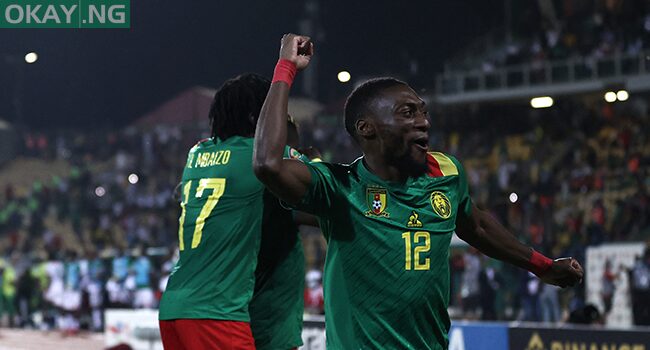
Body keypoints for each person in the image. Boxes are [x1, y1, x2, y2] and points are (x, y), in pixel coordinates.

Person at [253, 33, 584, 349]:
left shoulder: (446, 172)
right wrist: (286, 67)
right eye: (407, 113)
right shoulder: (340, 187)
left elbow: (478, 226)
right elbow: (268, 164)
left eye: (423, 112)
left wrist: (543, 265)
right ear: (366, 128)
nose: (423, 122)